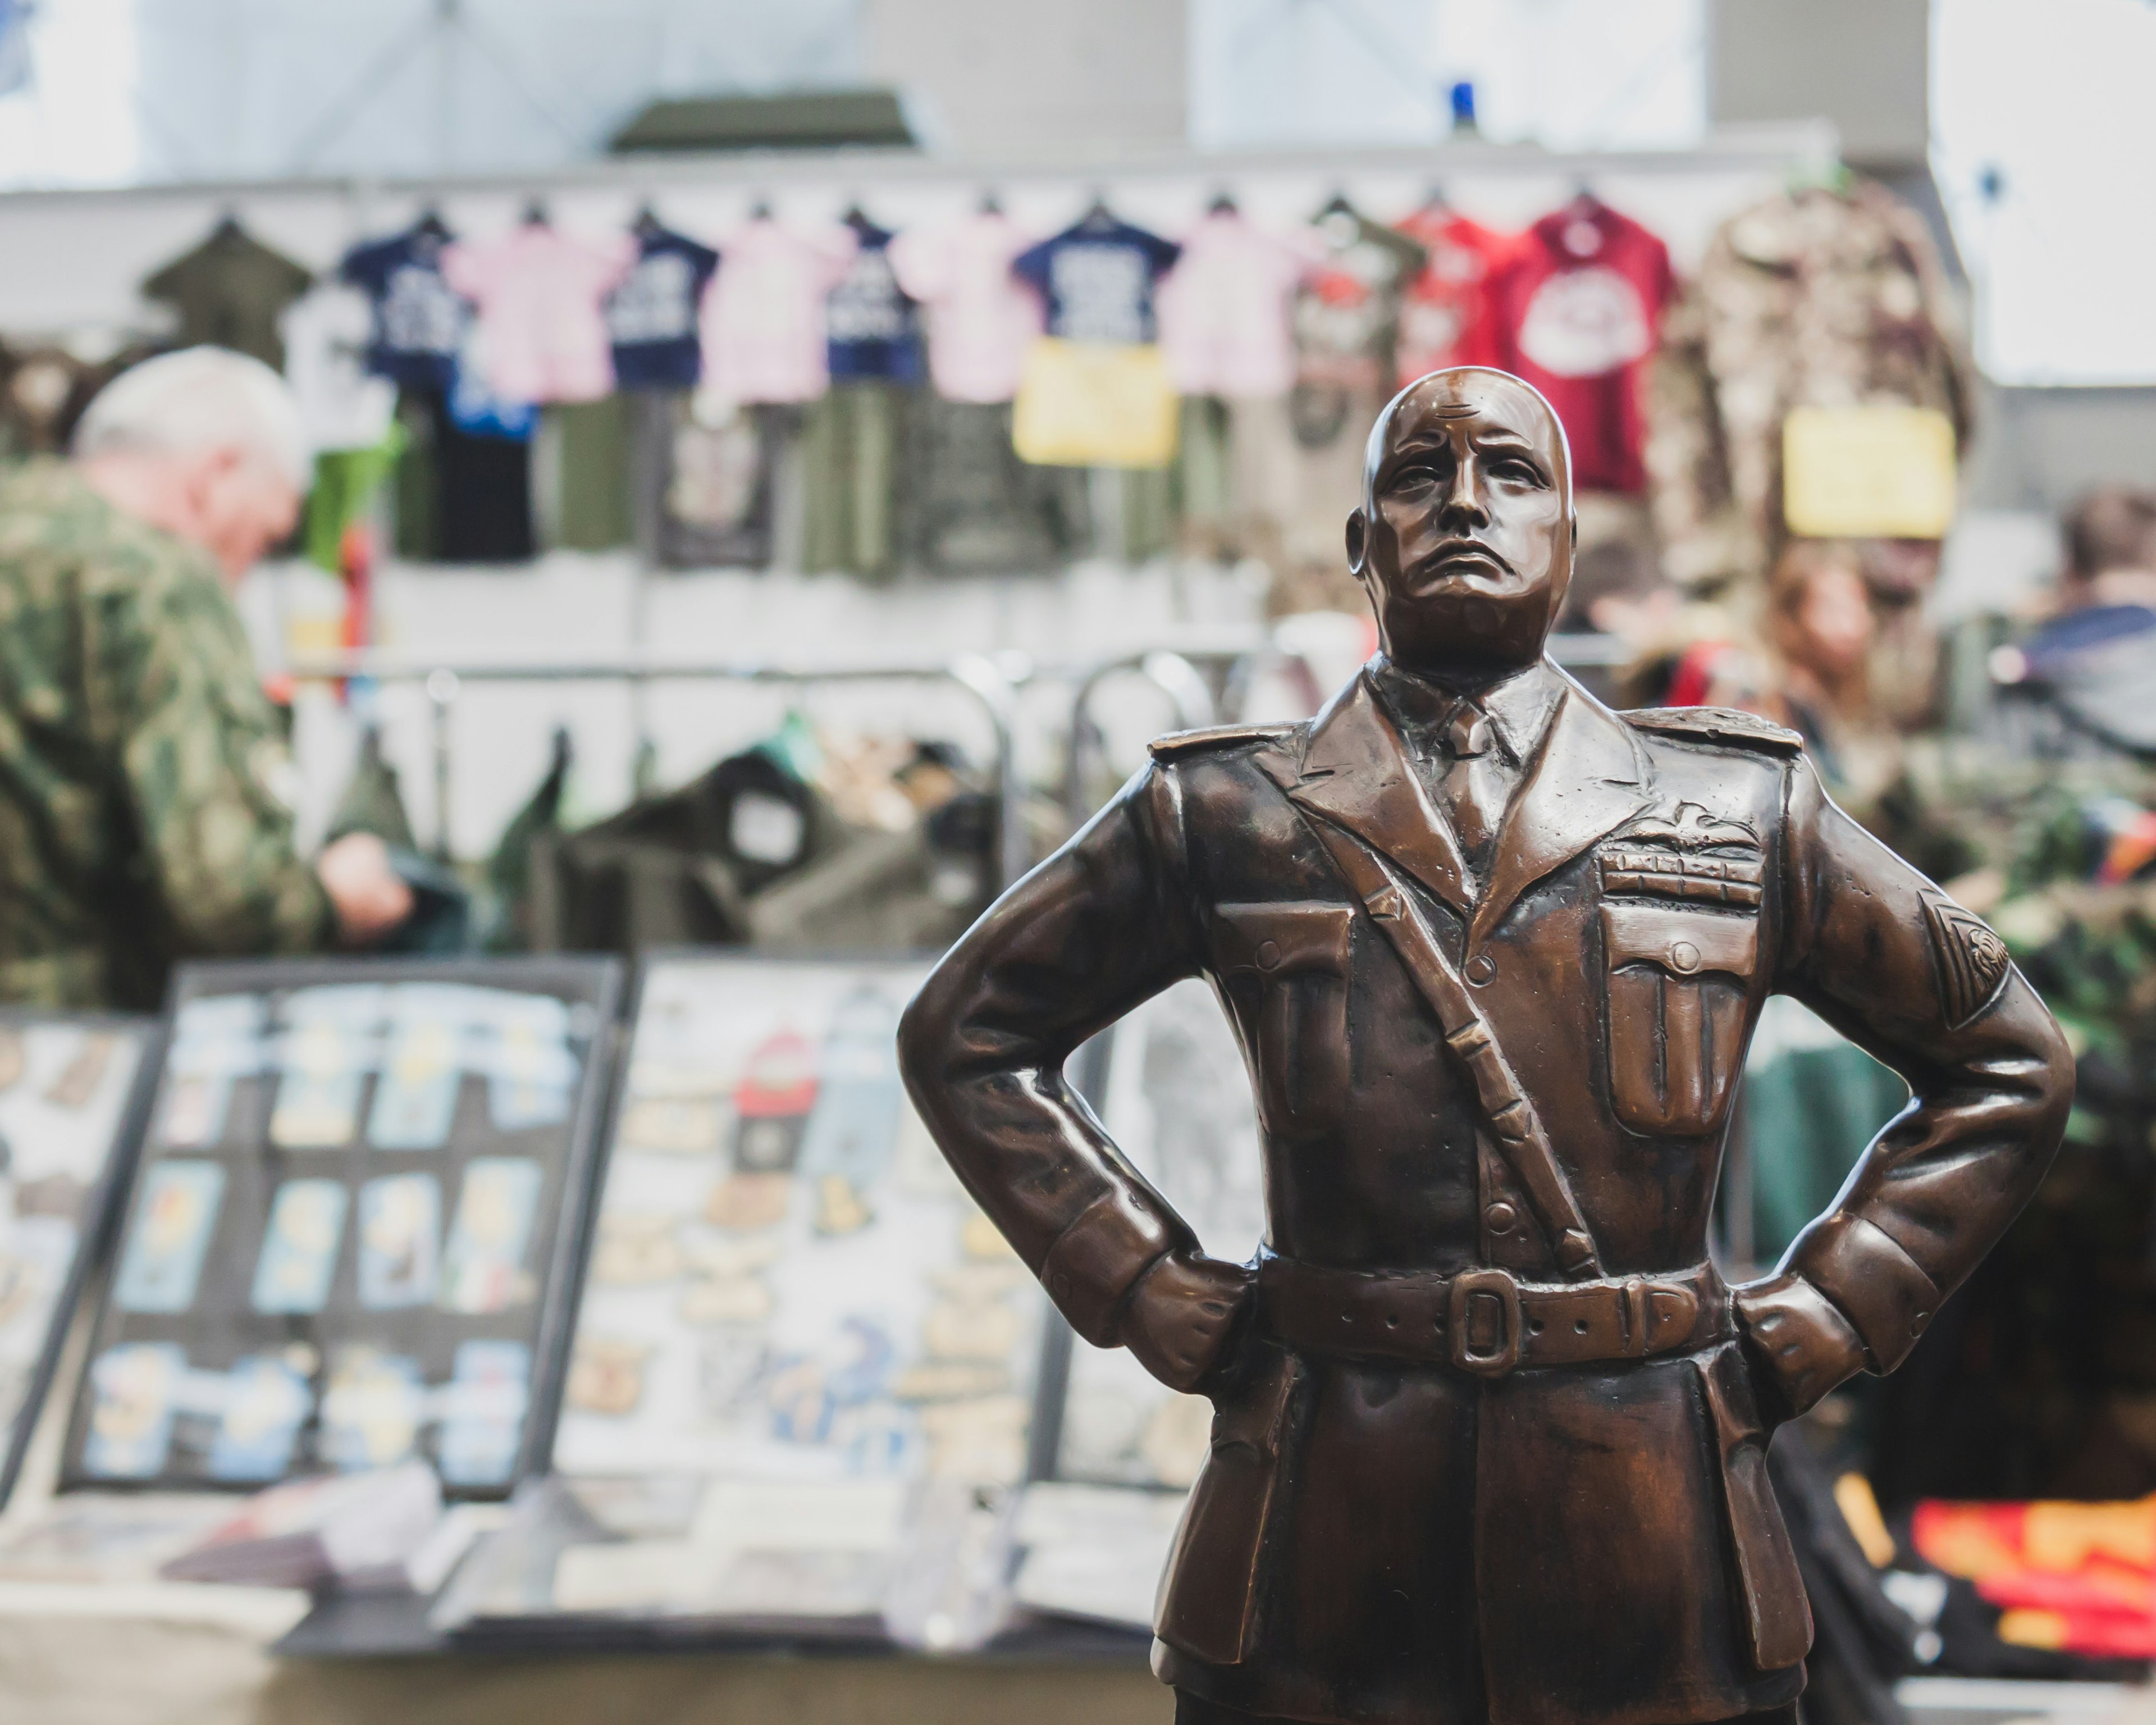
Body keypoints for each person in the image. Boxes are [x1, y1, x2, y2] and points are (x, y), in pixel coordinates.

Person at [899, 367, 2070, 1725]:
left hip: (1646, 1522)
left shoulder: (1739, 809)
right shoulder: (1221, 811)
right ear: (1360, 546)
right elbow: (964, 1031)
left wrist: (1827, 1309)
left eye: (1512, 473)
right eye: (1416, 475)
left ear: (1567, 541)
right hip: (1327, 1523)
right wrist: (1139, 1278)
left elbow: (2006, 1057)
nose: (1463, 501)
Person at [0, 345, 412, 1010]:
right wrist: (337, 897)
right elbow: (227, 899)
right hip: (68, 1058)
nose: (248, 570)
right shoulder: (151, 577)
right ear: (214, 476)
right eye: (263, 537)